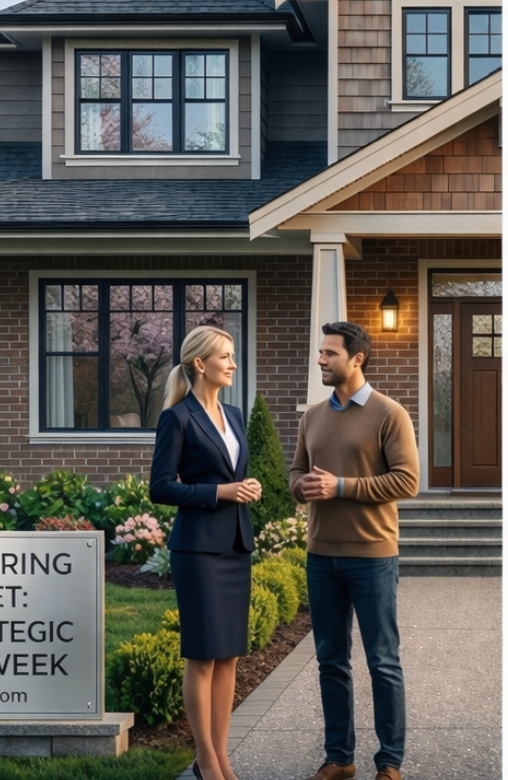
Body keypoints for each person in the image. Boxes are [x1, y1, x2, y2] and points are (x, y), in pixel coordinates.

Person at [288, 321, 420, 780]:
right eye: (321, 353)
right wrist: (300, 486)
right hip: (320, 556)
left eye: (329, 353)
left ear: (356, 358)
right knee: (330, 660)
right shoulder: (312, 416)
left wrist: (341, 485)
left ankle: (389, 763)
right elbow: (296, 473)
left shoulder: (389, 414)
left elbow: (408, 481)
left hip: (372, 556)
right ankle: (340, 758)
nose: (321, 360)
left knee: (382, 660)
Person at [149, 325, 261, 780]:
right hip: (197, 550)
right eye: (226, 357)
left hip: (234, 546)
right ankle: (207, 761)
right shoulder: (177, 418)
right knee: (202, 655)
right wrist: (221, 492)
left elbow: (233, 474)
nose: (233, 364)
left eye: (233, 356)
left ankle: (220, 756)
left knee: (228, 655)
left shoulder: (234, 415)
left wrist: (245, 487)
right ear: (201, 363)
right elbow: (161, 487)